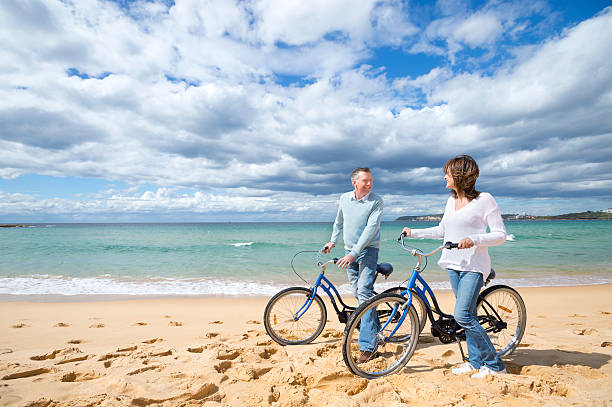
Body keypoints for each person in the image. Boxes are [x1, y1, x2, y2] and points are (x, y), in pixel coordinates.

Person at [401, 155, 507, 378]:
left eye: (447, 173)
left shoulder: (485, 199)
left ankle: (495, 365)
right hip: (453, 263)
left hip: (474, 265)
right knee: (467, 315)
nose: (444, 176)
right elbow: (442, 231)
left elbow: (500, 235)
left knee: (463, 316)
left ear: (460, 175)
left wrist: (475, 239)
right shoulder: (451, 201)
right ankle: (475, 362)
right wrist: (414, 233)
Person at [323, 167, 383, 362]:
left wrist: (353, 254)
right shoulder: (344, 199)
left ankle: (368, 348)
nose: (369, 183)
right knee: (358, 293)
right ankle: (375, 329)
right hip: (349, 251)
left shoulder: (376, 201)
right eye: (365, 180)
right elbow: (338, 222)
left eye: (371, 180)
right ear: (354, 182)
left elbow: (370, 230)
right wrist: (333, 241)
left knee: (364, 294)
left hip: (368, 251)